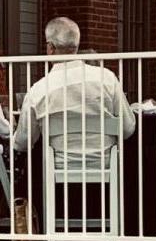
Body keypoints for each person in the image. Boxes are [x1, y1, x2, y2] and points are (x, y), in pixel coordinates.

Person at [13, 17, 135, 156]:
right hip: (104, 167)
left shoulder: (39, 89)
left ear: (50, 48)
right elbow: (128, 128)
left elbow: (22, 142)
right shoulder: (107, 79)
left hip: (58, 170)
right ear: (76, 46)